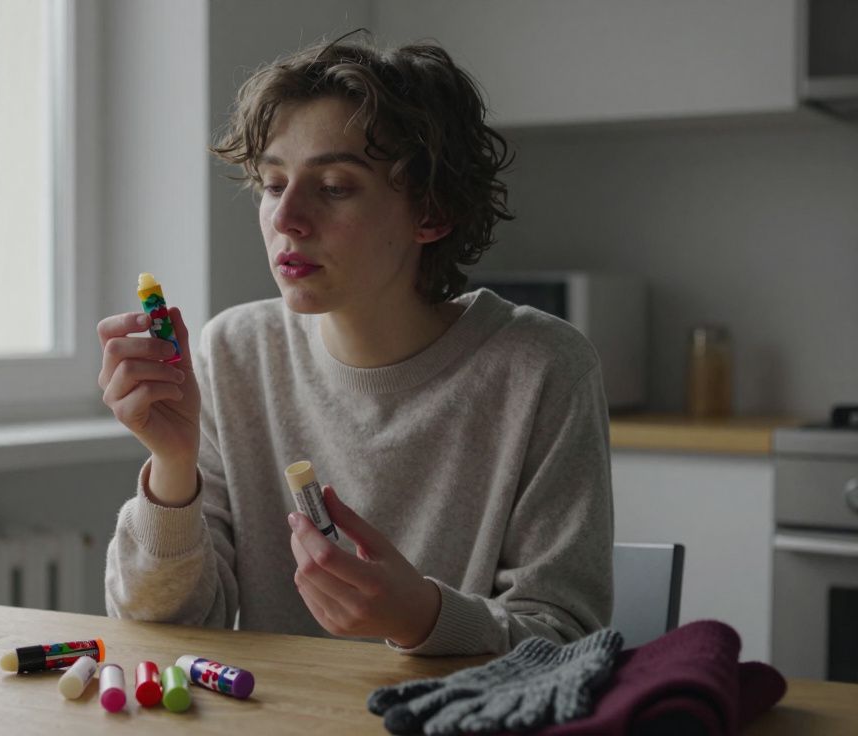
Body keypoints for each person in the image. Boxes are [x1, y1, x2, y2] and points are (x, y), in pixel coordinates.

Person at [95, 35, 612, 656]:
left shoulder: (543, 370)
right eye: (271, 182)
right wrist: (172, 468)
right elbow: (164, 629)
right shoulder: (235, 352)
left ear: (432, 211)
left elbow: (566, 643)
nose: (286, 217)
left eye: (334, 186)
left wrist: (423, 617)